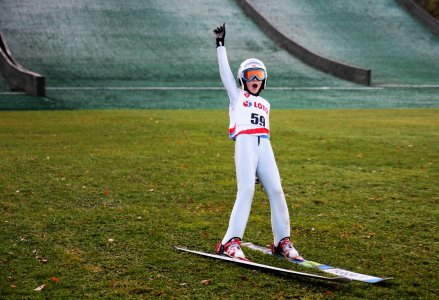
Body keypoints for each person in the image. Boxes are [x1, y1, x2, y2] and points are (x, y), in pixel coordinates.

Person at [213, 23, 303, 261]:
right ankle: (229, 242)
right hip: (245, 141)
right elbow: (224, 74)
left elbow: (263, 136)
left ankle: (281, 241)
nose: (255, 79)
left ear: (264, 80)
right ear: (243, 79)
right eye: (251, 75)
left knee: (276, 189)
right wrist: (220, 45)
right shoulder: (237, 96)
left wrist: (258, 166)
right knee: (246, 190)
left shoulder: (266, 104)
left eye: (259, 76)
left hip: (264, 144)